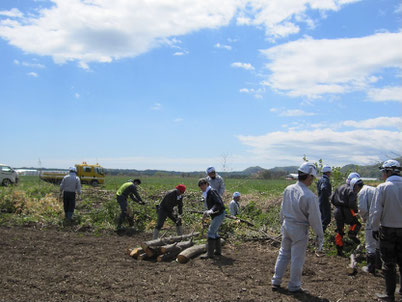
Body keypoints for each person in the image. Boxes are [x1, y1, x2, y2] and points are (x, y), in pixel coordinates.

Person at [271, 162, 324, 293]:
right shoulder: (309, 196)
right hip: (299, 229)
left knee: (283, 253)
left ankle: (276, 281)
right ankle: (294, 285)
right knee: (297, 258)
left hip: (287, 225)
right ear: (309, 177)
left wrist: (282, 224)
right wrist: (319, 234)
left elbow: (282, 210)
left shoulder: (288, 189)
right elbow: (315, 218)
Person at [370, 160, 402, 302]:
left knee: (389, 264)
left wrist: (374, 228)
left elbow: (376, 211)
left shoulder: (383, 188)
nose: (382, 174)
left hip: (388, 230)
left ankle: (389, 295)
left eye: (383, 172)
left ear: (388, 172)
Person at [331, 175, 363, 256]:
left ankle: (339, 250)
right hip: (347, 211)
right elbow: (352, 203)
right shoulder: (352, 190)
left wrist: (337, 206)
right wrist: (356, 211)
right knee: (356, 224)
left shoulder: (340, 187)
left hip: (337, 210)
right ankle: (352, 233)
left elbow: (332, 199)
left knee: (340, 230)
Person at [198, 178, 225, 259]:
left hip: (219, 214)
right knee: (215, 233)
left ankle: (209, 254)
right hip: (216, 214)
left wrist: (211, 210)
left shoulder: (212, 191)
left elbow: (218, 203)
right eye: (200, 186)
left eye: (203, 185)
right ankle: (218, 251)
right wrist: (208, 211)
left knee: (210, 232)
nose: (202, 187)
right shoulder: (207, 193)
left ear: (207, 184)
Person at [358, 183, 381, 275]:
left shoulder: (363, 192)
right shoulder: (373, 189)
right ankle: (379, 264)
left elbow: (362, 208)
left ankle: (370, 267)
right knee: (378, 243)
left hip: (371, 220)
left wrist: (363, 217)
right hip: (380, 219)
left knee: (370, 244)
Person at [316, 165, 332, 232]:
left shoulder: (320, 180)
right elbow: (323, 188)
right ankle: (321, 232)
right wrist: (328, 196)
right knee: (326, 218)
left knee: (322, 218)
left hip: (320, 200)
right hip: (324, 201)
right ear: (327, 172)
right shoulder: (325, 180)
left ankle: (320, 232)